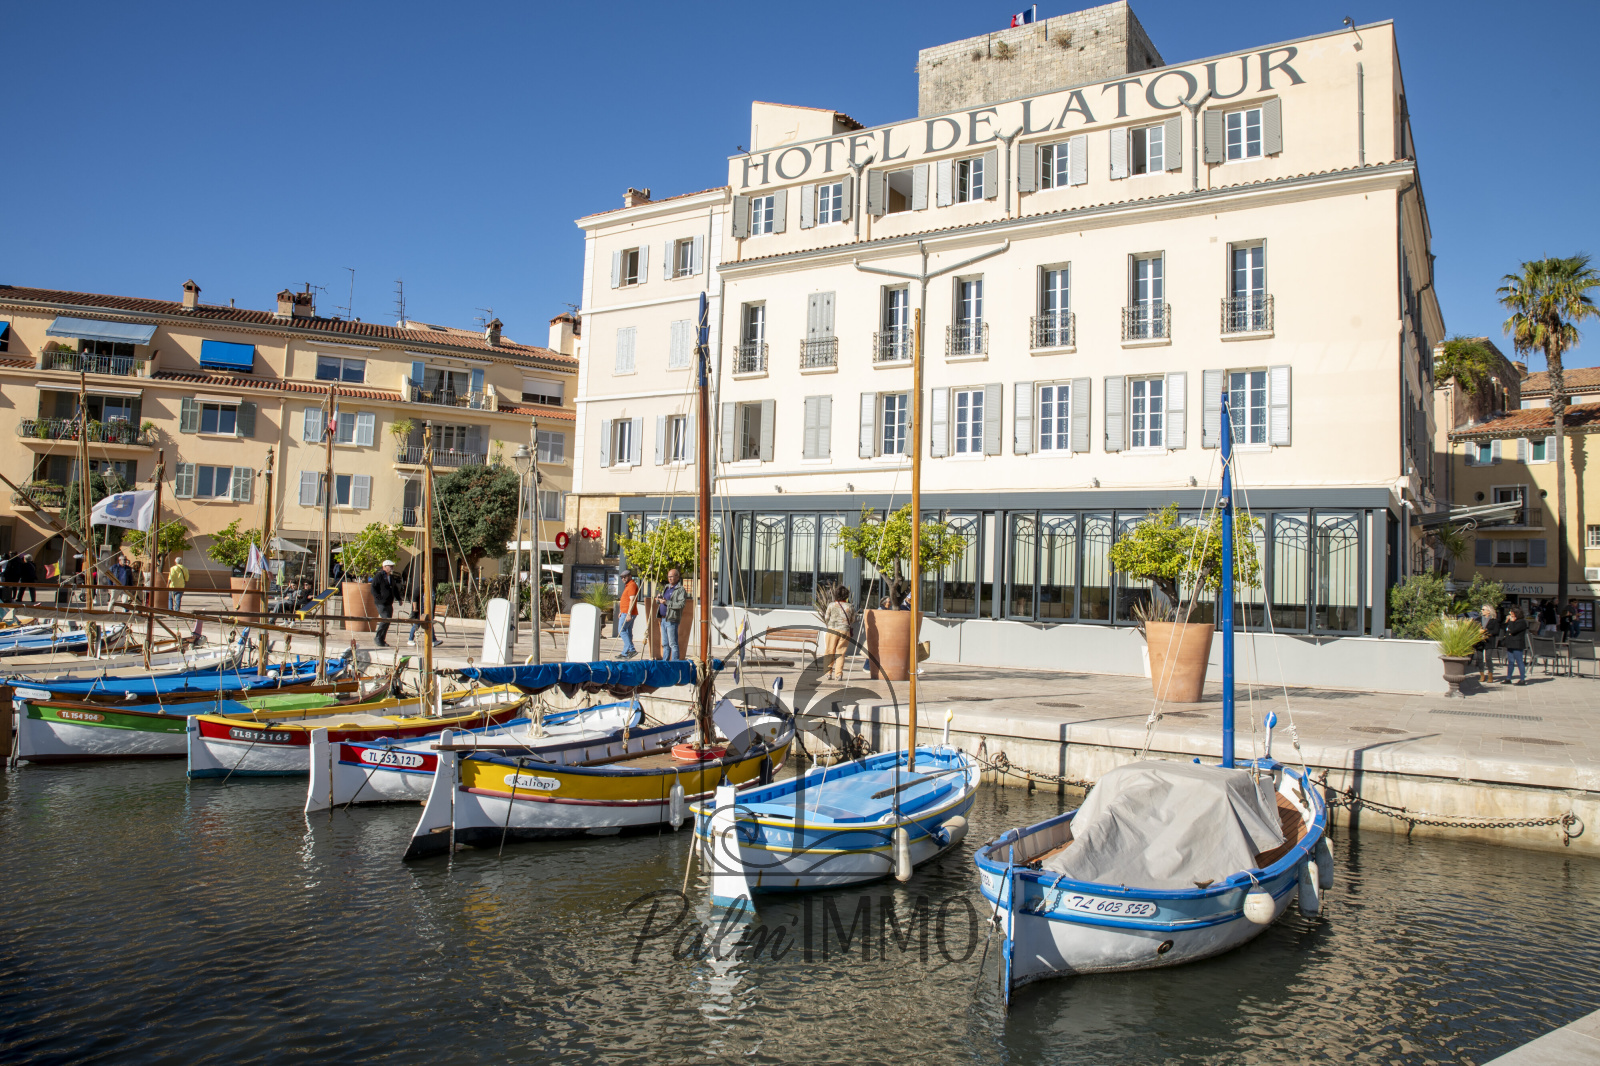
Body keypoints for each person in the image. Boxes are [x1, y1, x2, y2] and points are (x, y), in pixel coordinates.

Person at [824, 586, 855, 681]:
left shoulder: (831, 605)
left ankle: (828, 673)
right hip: (844, 630)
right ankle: (838, 674)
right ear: (846, 595)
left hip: (832, 629)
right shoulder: (850, 606)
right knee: (841, 652)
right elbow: (853, 619)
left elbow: (826, 617)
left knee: (830, 651)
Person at [658, 568, 686, 661]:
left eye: (672, 577)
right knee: (665, 643)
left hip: (672, 619)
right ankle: (665, 662)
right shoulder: (667, 587)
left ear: (677, 577)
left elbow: (681, 604)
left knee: (673, 644)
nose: (669, 578)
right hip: (663, 619)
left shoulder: (680, 590)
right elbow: (664, 601)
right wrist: (660, 599)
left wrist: (666, 602)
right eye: (668, 577)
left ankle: (675, 663)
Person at [371, 559, 400, 648]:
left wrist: (399, 598)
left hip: (389, 602)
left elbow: (395, 588)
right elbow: (373, 588)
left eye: (392, 566)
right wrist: (378, 597)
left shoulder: (390, 577)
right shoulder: (379, 576)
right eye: (390, 566)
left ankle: (382, 639)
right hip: (381, 602)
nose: (392, 568)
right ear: (384, 567)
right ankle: (378, 637)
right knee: (385, 618)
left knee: (388, 620)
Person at [1501, 606, 1529, 686]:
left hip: (1517, 644)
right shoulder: (1512, 621)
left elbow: (1513, 630)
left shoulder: (1521, 622)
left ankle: (1522, 679)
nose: (1510, 613)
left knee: (1519, 661)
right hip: (1510, 643)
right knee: (1510, 661)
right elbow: (1504, 628)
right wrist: (1507, 621)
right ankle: (1508, 678)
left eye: (1511, 612)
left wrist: (1511, 622)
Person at [617, 570, 640, 659]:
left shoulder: (632, 585)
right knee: (627, 631)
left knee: (621, 630)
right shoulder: (628, 585)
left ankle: (631, 650)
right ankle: (626, 652)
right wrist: (621, 611)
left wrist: (628, 613)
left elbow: (632, 600)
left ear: (630, 576)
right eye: (622, 577)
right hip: (625, 612)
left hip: (628, 613)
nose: (623, 579)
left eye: (625, 577)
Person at [1478, 604, 1500, 682]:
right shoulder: (1478, 619)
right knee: (1479, 658)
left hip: (1489, 640)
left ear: (1488, 611)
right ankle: (1482, 675)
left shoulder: (1494, 620)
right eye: (1482, 609)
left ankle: (1490, 674)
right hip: (1479, 640)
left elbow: (1496, 631)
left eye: (1483, 609)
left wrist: (1487, 632)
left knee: (1488, 657)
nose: (1482, 611)